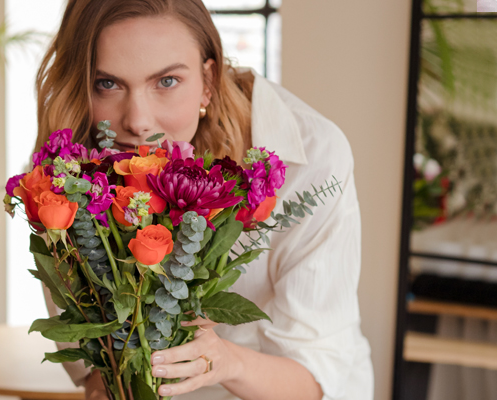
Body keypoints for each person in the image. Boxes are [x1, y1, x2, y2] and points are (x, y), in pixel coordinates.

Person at [33, 0, 373, 399]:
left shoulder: (312, 158)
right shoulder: (68, 172)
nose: (137, 120)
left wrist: (226, 361)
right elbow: (90, 360)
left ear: (208, 80)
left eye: (166, 81)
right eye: (107, 84)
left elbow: (317, 376)